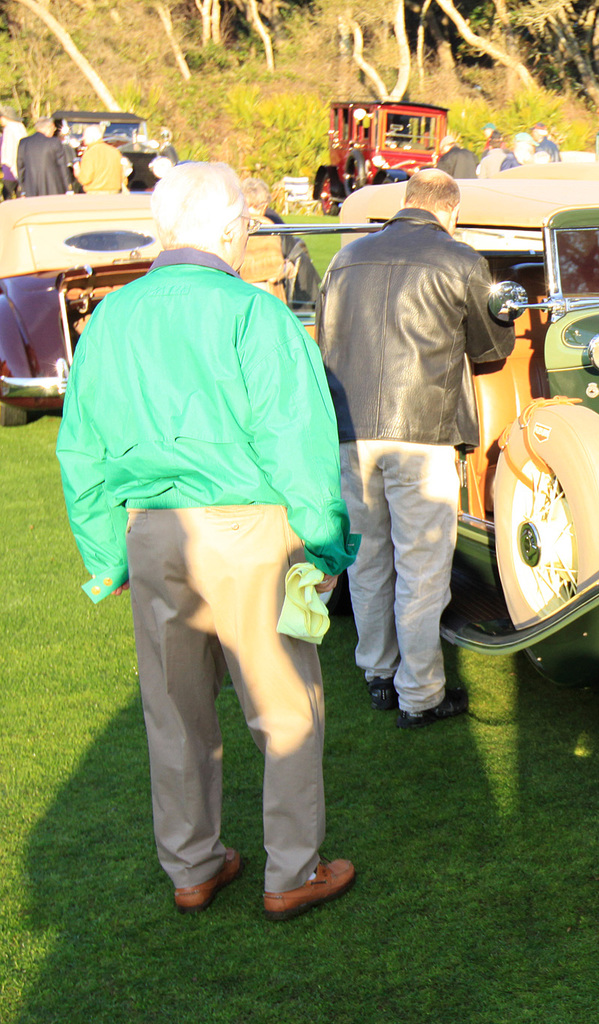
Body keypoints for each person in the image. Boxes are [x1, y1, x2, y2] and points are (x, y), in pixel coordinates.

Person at [56, 162, 358, 921]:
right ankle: (290, 871)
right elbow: (299, 439)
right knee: (284, 706)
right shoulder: (253, 314)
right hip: (249, 528)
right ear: (232, 231)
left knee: (173, 707)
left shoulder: (111, 318)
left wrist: (104, 557)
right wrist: (324, 545)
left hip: (152, 531)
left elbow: (81, 450)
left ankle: (192, 864)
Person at [317, 169, 515, 728]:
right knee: (423, 566)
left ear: (406, 203)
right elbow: (489, 346)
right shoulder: (459, 259)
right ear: (449, 211)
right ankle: (421, 693)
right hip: (422, 432)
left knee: (369, 558)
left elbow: (327, 337)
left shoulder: (346, 258)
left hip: (351, 430)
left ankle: (377, 671)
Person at [237, 178, 293, 301]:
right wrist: (288, 268)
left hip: (236, 290)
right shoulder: (267, 227)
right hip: (265, 294)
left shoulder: (232, 225)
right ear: (264, 206)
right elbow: (274, 270)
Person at [16, 117, 74, 197]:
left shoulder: (24, 143)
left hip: (31, 188)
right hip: (54, 188)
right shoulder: (54, 142)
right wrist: (68, 187)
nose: (54, 131)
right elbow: (62, 166)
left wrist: (23, 188)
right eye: (54, 128)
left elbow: (20, 167)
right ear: (49, 127)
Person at [76, 124, 126, 194]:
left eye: (85, 136)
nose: (83, 138)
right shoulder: (115, 151)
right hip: (115, 193)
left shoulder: (89, 153)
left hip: (95, 194)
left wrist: (77, 172)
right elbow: (123, 176)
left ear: (93, 137)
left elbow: (85, 179)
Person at [1, 106, 24, 199]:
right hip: (16, 164)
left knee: (7, 192)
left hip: (11, 165)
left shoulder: (10, 129)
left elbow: (10, 149)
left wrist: (10, 165)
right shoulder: (18, 127)